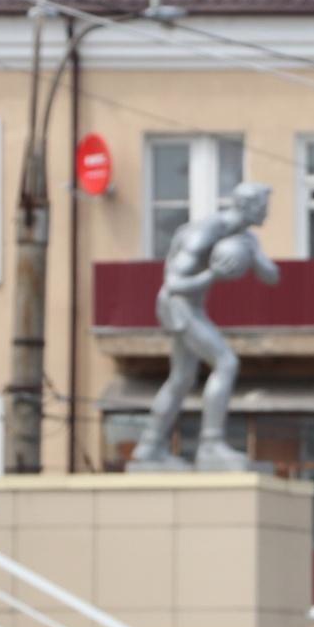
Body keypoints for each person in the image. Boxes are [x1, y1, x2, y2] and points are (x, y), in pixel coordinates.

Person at [130, 181, 279, 471]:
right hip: (177, 305)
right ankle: (211, 445)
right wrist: (213, 275)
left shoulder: (245, 238)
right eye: (263, 206)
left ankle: (149, 446)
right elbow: (174, 284)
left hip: (193, 307)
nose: (266, 212)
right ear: (247, 206)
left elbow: (272, 276)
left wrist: (250, 257)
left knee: (181, 378)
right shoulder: (205, 232)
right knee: (226, 362)